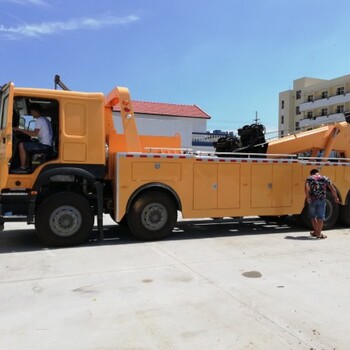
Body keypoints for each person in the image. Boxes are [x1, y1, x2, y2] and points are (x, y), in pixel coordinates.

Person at [12, 103, 53, 173]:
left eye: (31, 112)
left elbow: (34, 133)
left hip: (44, 146)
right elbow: (36, 133)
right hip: (47, 145)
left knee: (21, 145)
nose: (32, 114)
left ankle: (22, 167)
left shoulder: (39, 120)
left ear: (34, 111)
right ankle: (28, 166)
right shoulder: (45, 120)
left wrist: (19, 129)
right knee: (28, 144)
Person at [305, 168, 340, 239]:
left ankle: (316, 232)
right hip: (322, 200)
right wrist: (336, 198)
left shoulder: (309, 178)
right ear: (318, 172)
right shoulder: (325, 178)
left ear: (311, 173)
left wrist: (308, 197)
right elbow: (332, 189)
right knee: (320, 217)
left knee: (313, 217)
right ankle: (319, 234)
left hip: (312, 200)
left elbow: (307, 188)